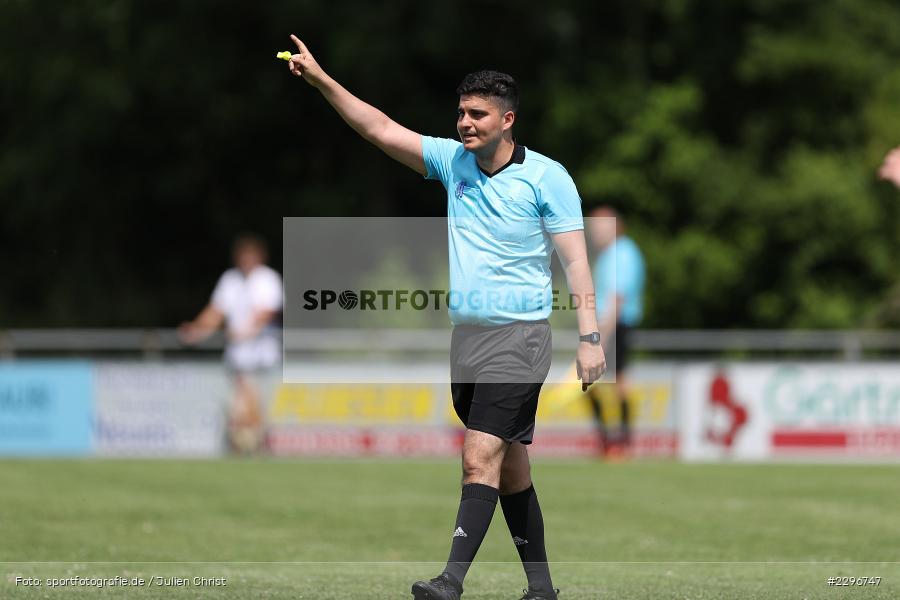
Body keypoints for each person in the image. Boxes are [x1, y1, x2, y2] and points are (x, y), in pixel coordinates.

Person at [284, 35, 605, 600]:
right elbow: (379, 129)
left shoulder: (548, 178)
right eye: (460, 112)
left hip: (521, 338)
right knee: (511, 470)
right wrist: (321, 81)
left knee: (479, 456)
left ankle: (450, 582)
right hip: (469, 342)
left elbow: (575, 259)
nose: (464, 123)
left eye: (477, 114)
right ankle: (542, 590)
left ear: (508, 120)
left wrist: (590, 337)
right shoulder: (452, 161)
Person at [178, 234, 283, 453]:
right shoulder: (230, 279)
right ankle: (247, 446)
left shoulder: (268, 279)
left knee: (252, 407)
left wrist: (245, 332)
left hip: (261, 357)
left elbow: (266, 313)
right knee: (238, 408)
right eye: (243, 256)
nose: (246, 260)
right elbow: (216, 311)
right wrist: (197, 331)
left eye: (250, 255)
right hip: (236, 356)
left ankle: (254, 445)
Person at [586, 206, 645, 457]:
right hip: (608, 325)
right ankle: (612, 441)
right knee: (596, 384)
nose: (596, 233)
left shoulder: (622, 253)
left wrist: (601, 336)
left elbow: (617, 299)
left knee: (612, 383)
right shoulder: (611, 253)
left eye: (601, 227)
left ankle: (619, 442)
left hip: (614, 325)